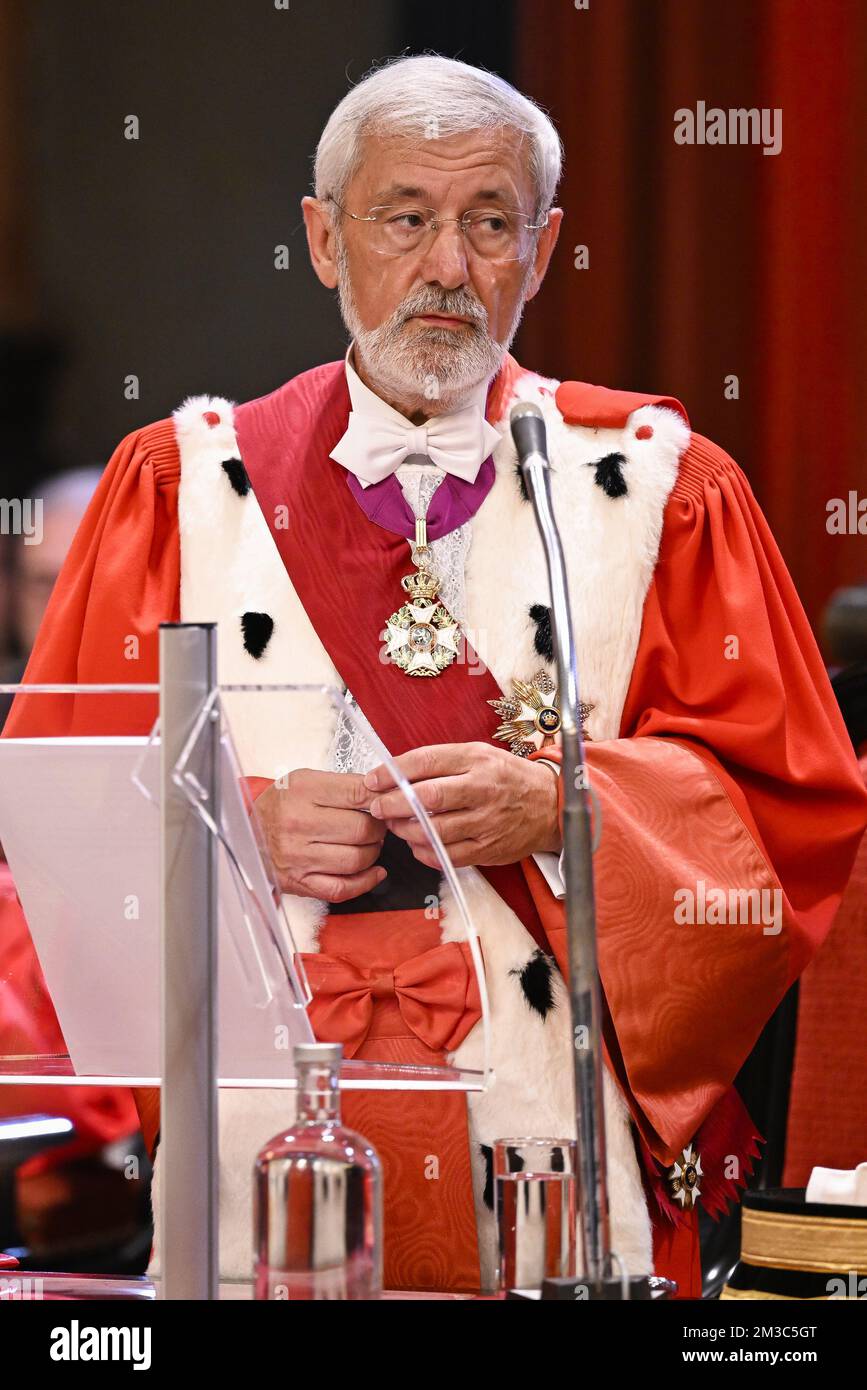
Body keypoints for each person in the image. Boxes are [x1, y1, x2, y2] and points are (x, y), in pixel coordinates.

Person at [3, 54, 866, 1298]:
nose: (449, 267)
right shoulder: (174, 491)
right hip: (261, 1170)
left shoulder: (665, 493)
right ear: (322, 236)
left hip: (553, 1169)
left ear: (546, 245)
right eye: (406, 218)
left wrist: (565, 807)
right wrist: (241, 835)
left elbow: (790, 819)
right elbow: (54, 839)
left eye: (490, 223)